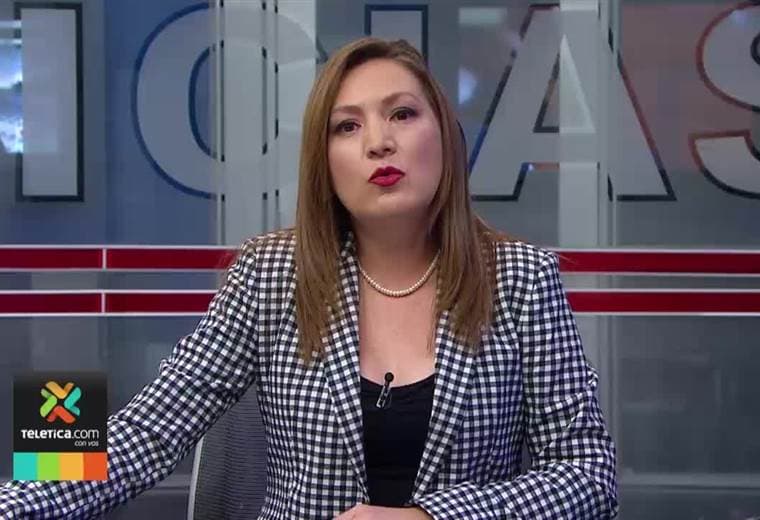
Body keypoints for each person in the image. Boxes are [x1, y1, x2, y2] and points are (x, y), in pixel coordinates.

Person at [0, 37, 617, 519]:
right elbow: (146, 432)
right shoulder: (270, 276)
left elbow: (588, 474)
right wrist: (16, 500)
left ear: (445, 138)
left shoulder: (521, 279)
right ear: (325, 163)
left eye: (402, 114)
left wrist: (433, 516)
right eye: (347, 126)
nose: (379, 143)